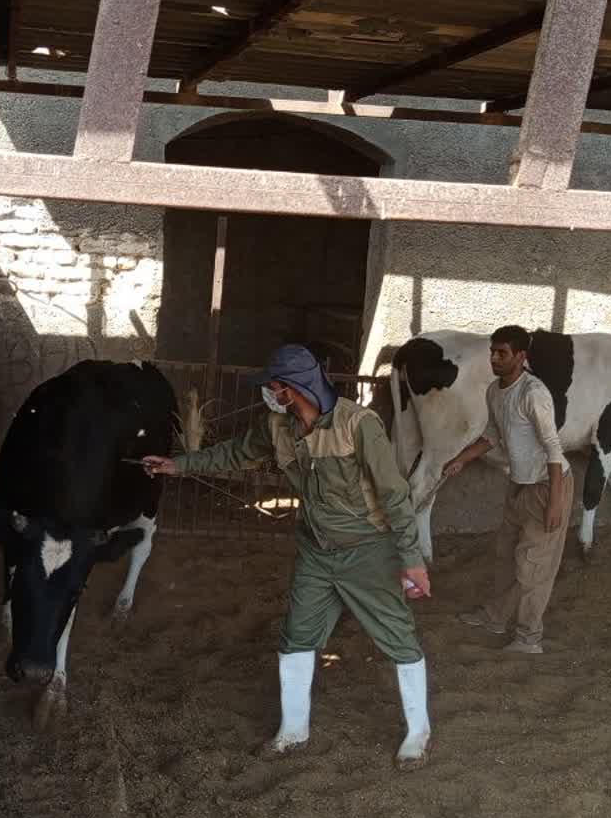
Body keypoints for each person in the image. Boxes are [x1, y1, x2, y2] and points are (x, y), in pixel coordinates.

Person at [142, 344, 434, 767]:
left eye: (273, 386)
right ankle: (293, 731)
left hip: (367, 550)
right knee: (297, 635)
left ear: (291, 389)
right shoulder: (277, 426)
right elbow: (235, 453)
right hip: (316, 550)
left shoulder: (357, 425)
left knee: (397, 636)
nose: (269, 393)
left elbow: (394, 494)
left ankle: (418, 732)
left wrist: (411, 558)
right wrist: (178, 465)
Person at [439, 324, 574, 655]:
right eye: (492, 352)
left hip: (547, 485)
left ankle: (529, 637)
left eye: (502, 353)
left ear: (521, 356)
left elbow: (553, 448)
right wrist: (461, 459)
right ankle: (496, 617)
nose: (494, 359)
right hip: (519, 483)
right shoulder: (495, 391)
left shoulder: (533, 394)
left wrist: (555, 502)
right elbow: (492, 435)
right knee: (506, 554)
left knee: (533, 564)